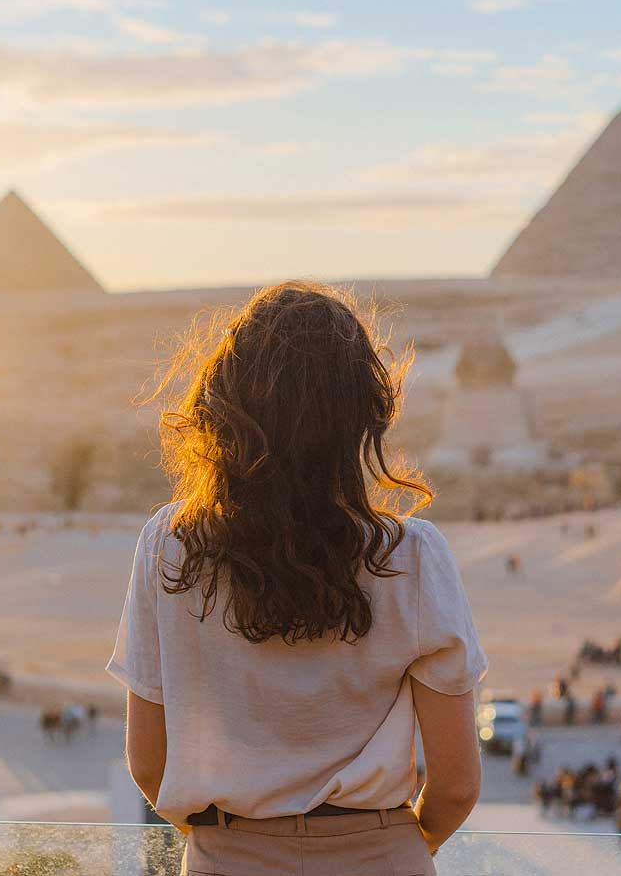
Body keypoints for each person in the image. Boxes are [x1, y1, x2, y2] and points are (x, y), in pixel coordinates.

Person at [107, 283, 488, 876]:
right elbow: (457, 785)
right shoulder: (413, 558)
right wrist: (398, 846)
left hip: (228, 858)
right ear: (364, 411)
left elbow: (149, 764)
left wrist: (237, 841)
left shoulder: (170, 546)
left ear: (225, 404)